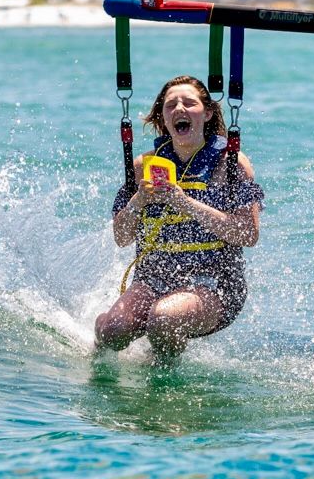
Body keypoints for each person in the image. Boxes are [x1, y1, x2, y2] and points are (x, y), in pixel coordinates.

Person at [94, 75, 263, 358]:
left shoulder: (231, 164)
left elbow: (248, 234)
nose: (179, 109)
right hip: (153, 279)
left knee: (164, 318)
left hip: (214, 286)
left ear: (207, 113)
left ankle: (161, 373)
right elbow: (121, 238)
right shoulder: (144, 165)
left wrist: (184, 203)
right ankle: (100, 337)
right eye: (171, 105)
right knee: (114, 330)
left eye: (189, 103)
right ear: (163, 117)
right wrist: (139, 200)